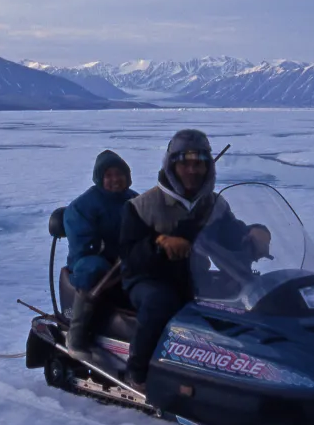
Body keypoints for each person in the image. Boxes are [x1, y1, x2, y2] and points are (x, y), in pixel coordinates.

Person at [119, 129, 270, 389]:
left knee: (247, 297)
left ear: (207, 166)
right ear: (172, 165)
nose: (192, 170)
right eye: (184, 163)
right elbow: (129, 257)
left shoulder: (213, 204)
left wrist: (253, 236)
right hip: (148, 278)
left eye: (198, 163)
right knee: (160, 302)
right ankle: (138, 372)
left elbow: (231, 236)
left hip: (194, 276)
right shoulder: (142, 206)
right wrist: (159, 244)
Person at [64, 150, 138, 356]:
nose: (115, 179)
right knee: (93, 269)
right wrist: (113, 252)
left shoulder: (136, 201)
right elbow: (83, 242)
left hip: (127, 259)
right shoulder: (82, 206)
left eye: (119, 174)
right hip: (92, 258)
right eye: (109, 175)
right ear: (100, 178)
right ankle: (77, 336)